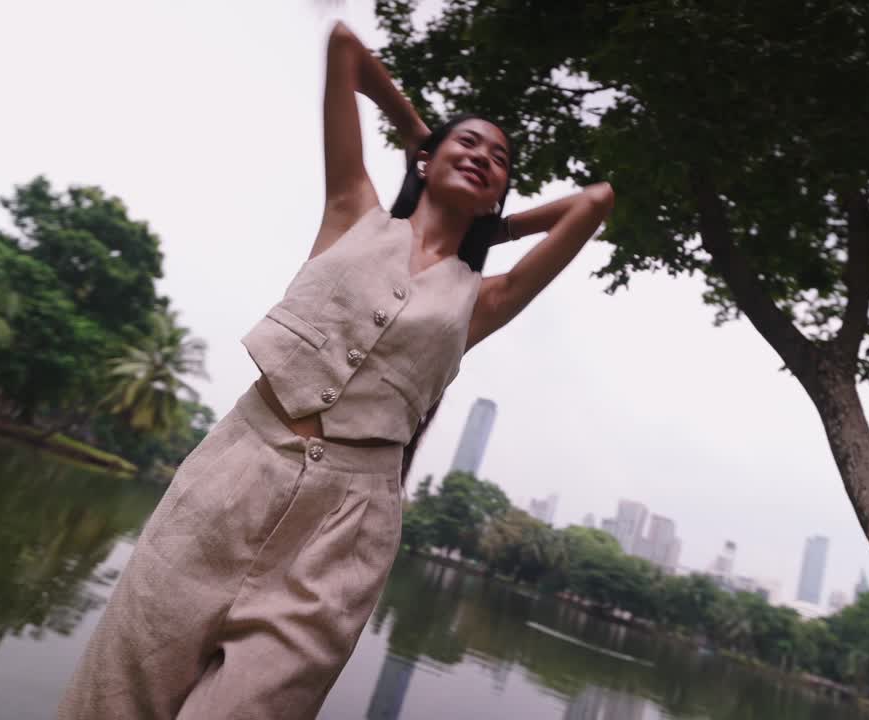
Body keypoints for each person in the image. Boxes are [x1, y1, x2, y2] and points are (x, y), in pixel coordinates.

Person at [58, 20, 613, 720]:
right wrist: (420, 130)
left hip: (348, 524)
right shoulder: (352, 211)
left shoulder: (483, 298)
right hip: (238, 469)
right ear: (424, 158)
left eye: (499, 159)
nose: (482, 156)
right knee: (121, 689)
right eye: (468, 141)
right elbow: (346, 47)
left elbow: (594, 202)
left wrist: (495, 225)